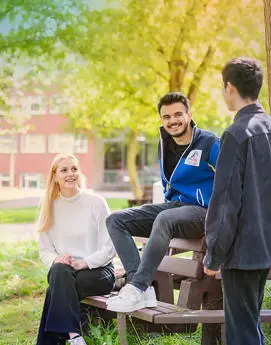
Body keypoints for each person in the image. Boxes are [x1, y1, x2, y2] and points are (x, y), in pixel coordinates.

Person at [203, 58, 271, 345]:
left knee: (242, 330)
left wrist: (214, 254)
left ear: (230, 87)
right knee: (249, 324)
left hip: (241, 249)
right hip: (269, 244)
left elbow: (226, 200)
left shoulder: (235, 134)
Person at [106, 92, 220, 312]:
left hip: (205, 212)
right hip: (175, 209)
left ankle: (137, 287)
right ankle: (140, 287)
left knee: (165, 218)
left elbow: (231, 184)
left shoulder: (210, 143)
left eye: (178, 114)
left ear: (189, 115)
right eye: (166, 116)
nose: (172, 121)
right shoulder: (164, 144)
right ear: (161, 119)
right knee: (115, 220)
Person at [36, 154, 116, 345]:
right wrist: (56, 259)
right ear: (55, 176)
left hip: (99, 271)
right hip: (64, 272)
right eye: (64, 170)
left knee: (57, 286)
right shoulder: (49, 206)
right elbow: (45, 250)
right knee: (59, 272)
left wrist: (84, 263)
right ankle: (74, 338)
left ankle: (58, 339)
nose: (70, 174)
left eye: (74, 169)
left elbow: (110, 247)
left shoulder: (96, 203)